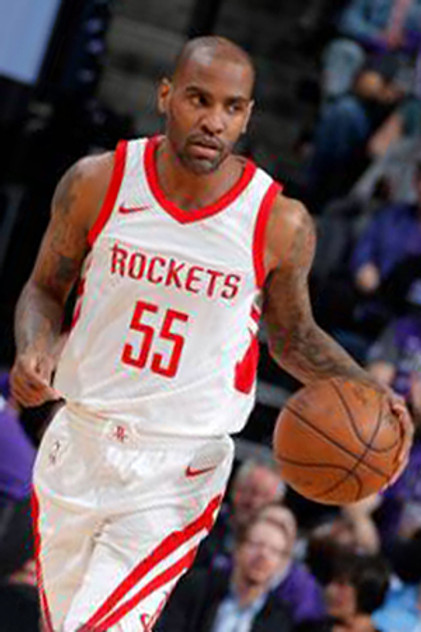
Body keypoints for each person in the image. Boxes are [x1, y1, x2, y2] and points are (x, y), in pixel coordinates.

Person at [10, 36, 411, 631]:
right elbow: (45, 288)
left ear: (248, 116)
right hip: (80, 437)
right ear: (165, 96)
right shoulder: (98, 182)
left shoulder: (278, 221)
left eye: (232, 107)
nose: (214, 121)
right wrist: (35, 347)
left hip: (178, 466)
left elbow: (294, 338)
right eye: (199, 99)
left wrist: (371, 391)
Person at [155, 516, 293, 632]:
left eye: (274, 551)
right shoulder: (197, 587)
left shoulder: (280, 621)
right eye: (256, 544)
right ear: (238, 547)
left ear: (282, 564)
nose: (263, 555)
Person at [195, 457, 285, 568]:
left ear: (277, 504)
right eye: (249, 491)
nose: (254, 502)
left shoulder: (279, 549)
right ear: (234, 489)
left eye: (264, 496)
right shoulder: (205, 524)